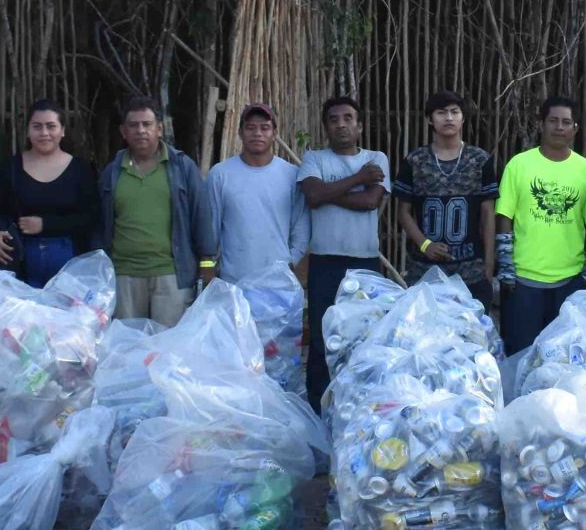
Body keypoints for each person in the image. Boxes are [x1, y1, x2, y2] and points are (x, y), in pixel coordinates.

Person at [298, 94, 389, 406]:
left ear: (360, 126)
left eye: (348, 118)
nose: (341, 124)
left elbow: (369, 202)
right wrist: (358, 179)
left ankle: (360, 404)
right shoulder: (315, 158)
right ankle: (317, 406)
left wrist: (327, 191)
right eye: (334, 119)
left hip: (365, 265)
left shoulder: (377, 158)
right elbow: (311, 195)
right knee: (324, 338)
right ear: (325, 127)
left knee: (364, 338)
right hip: (324, 263)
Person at [96, 94, 214, 326]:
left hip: (170, 274)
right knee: (128, 347)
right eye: (134, 125)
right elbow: (101, 223)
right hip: (124, 275)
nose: (141, 130)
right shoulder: (112, 172)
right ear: (123, 132)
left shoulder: (181, 166)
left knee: (168, 349)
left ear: (159, 129)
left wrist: (207, 264)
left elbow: (200, 215)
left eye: (147, 124)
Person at [495, 94, 586, 355]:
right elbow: (504, 216)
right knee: (521, 354)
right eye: (553, 120)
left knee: (564, 356)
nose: (559, 127)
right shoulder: (519, 165)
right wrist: (506, 262)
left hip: (570, 280)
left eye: (566, 122)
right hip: (523, 280)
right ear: (541, 124)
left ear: (575, 128)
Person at [0, 100, 100, 288]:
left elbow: (91, 217)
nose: (44, 133)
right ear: (27, 131)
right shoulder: (9, 169)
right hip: (18, 264)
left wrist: (45, 225)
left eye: (51, 126)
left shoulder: (80, 170)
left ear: (63, 130)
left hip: (69, 267)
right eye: (37, 127)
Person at [394, 90, 499, 303]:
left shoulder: (480, 160)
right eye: (441, 113)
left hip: (471, 272)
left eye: (455, 112)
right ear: (429, 119)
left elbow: (488, 213)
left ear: (462, 118)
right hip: (424, 272)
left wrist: (488, 264)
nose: (449, 118)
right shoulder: (415, 161)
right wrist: (425, 245)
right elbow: (403, 212)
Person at [204, 103, 309, 284]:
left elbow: (301, 225)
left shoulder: (291, 175)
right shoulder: (220, 174)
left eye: (265, 128)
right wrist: (208, 268)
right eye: (250, 128)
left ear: (274, 133)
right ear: (240, 133)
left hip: (277, 281)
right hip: (233, 281)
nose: (257, 133)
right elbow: (210, 228)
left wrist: (289, 263)